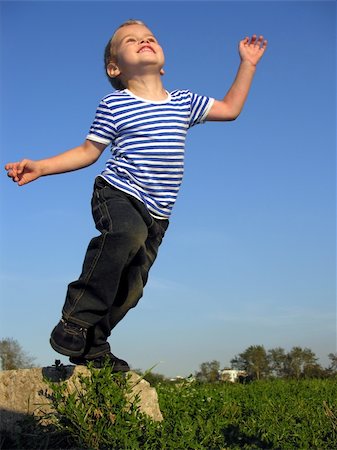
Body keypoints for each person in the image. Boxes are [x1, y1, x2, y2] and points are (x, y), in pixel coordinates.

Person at [5, 19, 267, 371]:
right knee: (125, 234)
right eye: (131, 40)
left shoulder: (185, 102)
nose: (144, 41)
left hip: (158, 214)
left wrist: (247, 64)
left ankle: (93, 345)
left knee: (132, 290)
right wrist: (41, 166)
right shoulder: (115, 105)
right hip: (118, 193)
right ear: (115, 67)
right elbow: (87, 151)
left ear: (163, 60)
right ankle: (75, 319)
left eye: (150, 37)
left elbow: (231, 109)